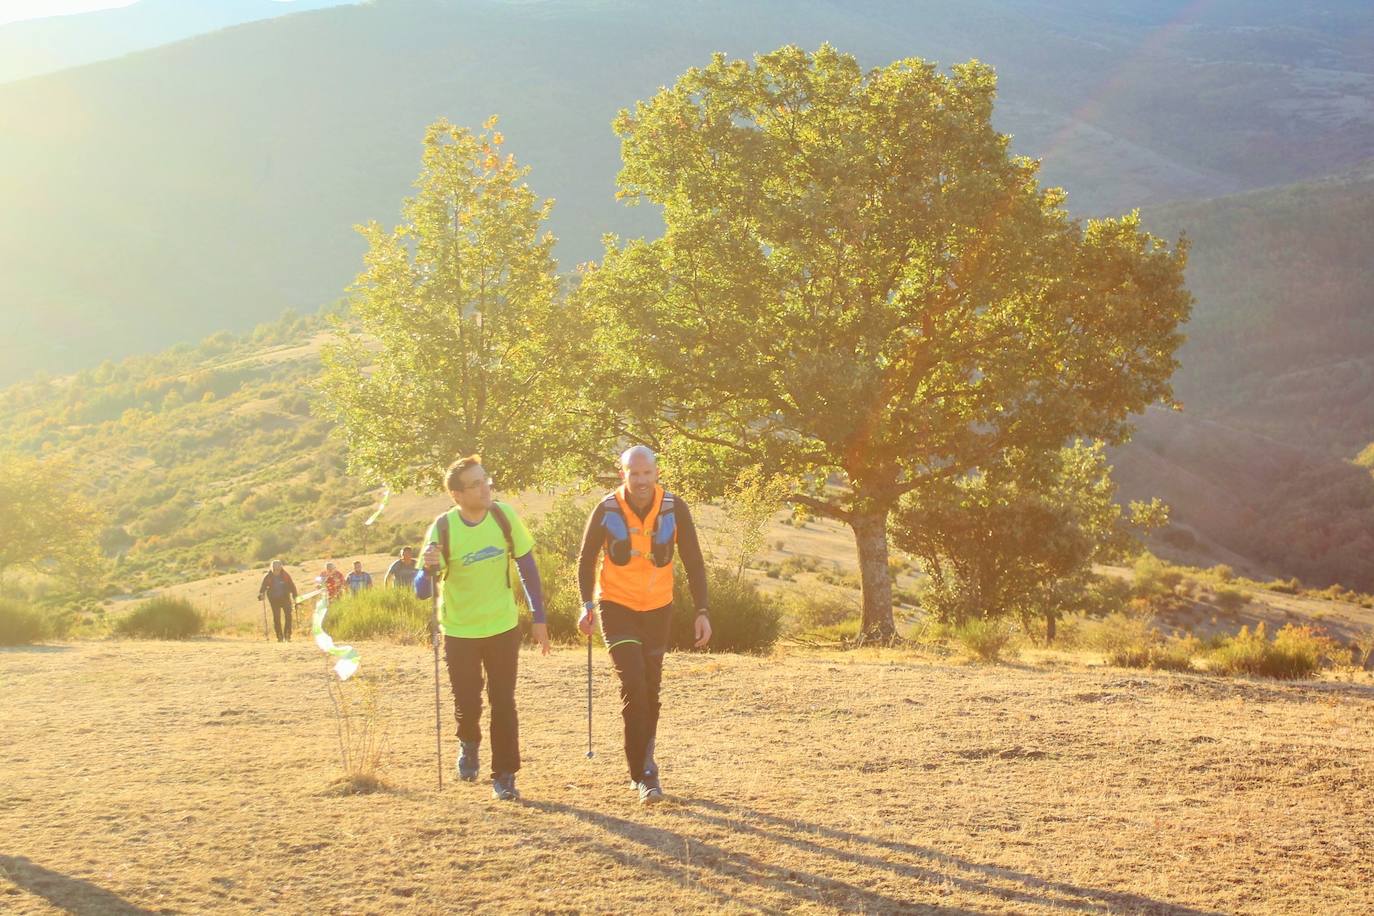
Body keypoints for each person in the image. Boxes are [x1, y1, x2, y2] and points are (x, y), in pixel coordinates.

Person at [577, 445, 710, 805]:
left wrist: (702, 610)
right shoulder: (606, 508)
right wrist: (586, 604)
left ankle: (644, 765)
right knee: (633, 683)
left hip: (658, 609)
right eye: (633, 474)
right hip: (616, 607)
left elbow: (694, 561)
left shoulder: (674, 507)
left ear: (656, 473)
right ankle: (644, 775)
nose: (640, 480)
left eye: (646, 473)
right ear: (622, 474)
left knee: (651, 689)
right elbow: (587, 559)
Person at [416, 454, 549, 801]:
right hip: (459, 631)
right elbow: (420, 590)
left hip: (503, 626)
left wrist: (539, 617)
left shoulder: (503, 516)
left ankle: (505, 775)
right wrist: (427, 569)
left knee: (503, 701)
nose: (485, 487)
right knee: (468, 701)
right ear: (457, 495)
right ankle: (469, 742)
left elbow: (527, 567)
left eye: (485, 479)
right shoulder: (443, 527)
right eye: (475, 483)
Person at [256, 560, 298, 642]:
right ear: (272, 568)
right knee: (276, 617)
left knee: (288, 616)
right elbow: (263, 587)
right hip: (273, 599)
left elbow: (292, 585)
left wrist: (295, 596)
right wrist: (261, 594)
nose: (277, 570)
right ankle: (279, 636)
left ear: (281, 567)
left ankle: (287, 635)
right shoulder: (268, 576)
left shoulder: (285, 575)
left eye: (278, 567)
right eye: (275, 568)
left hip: (285, 598)